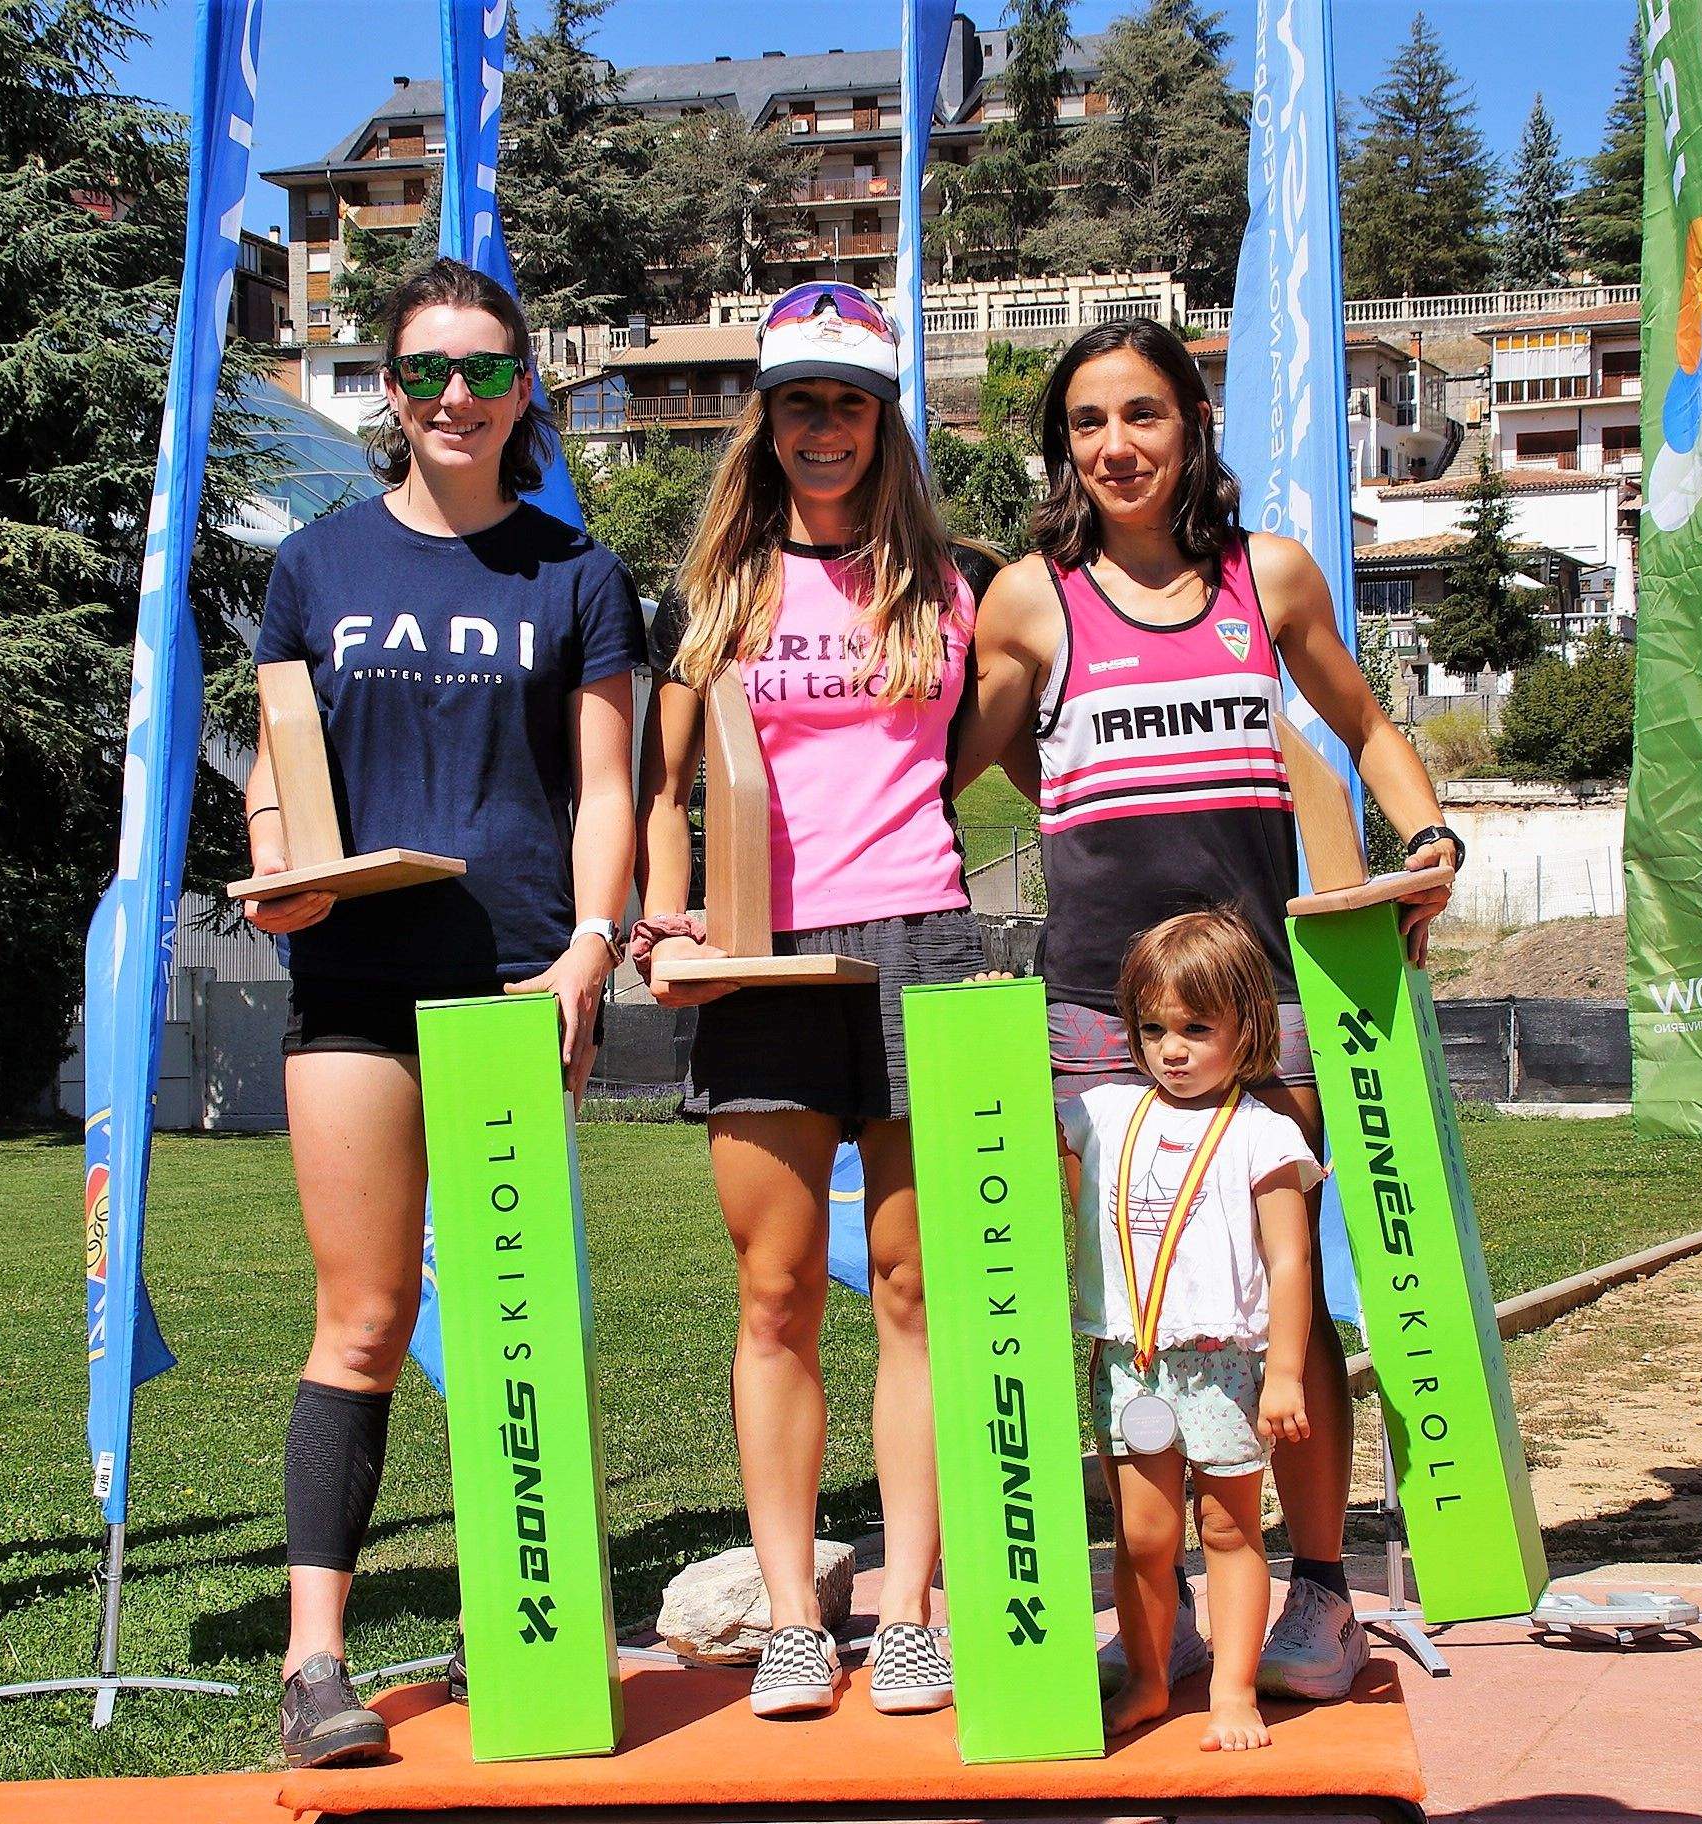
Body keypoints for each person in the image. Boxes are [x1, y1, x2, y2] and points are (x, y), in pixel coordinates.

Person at [958, 317, 1462, 1703]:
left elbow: (1362, 730)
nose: (1114, 445)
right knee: (1130, 1313)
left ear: (1192, 425)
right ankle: (1154, 1599)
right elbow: (934, 768)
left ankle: (1313, 1592)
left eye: (1142, 415)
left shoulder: (1269, 578)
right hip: (1091, 1015)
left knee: (1271, 1312)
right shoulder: (1027, 601)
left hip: (1263, 1009)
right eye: (1085, 424)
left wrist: (1430, 848)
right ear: (1062, 447)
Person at [240, 259, 643, 1768]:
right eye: (423, 373)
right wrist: (279, 871)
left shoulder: (577, 574)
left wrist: (593, 948)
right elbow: (283, 764)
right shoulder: (316, 566)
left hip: (513, 990)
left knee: (505, 1323)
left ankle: (521, 1616)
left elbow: (610, 788)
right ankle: (316, 1666)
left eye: (483, 369)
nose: (455, 396)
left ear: (524, 387)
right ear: (387, 396)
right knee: (361, 1317)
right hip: (349, 986)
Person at [629, 281, 996, 1720]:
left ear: (884, 418)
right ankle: (793, 1618)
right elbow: (665, 788)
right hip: (762, 954)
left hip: (921, 942)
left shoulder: (953, 580)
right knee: (777, 1293)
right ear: (765, 421)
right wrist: (669, 926)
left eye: (848, 401)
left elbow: (968, 756)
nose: (823, 426)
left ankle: (905, 1608)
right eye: (799, 402)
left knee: (915, 1290)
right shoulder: (714, 590)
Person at [1060, 909, 1322, 1750]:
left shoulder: (1264, 1131)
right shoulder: (1100, 1112)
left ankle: (1235, 1691)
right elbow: (1005, 1126)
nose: (1172, 1049)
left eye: (1196, 1028)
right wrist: (989, 1018)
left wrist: (1283, 1373)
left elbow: (1291, 1264)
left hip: (1222, 1369)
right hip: (1128, 1363)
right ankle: (1147, 1676)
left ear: (1248, 1027)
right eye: (1153, 1028)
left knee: (1229, 1530)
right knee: (1142, 1538)